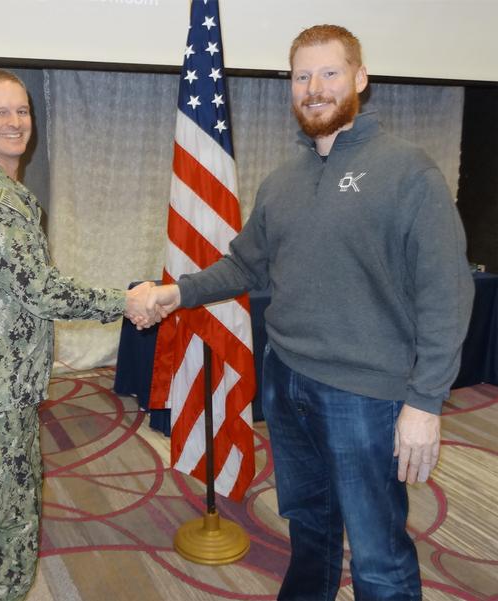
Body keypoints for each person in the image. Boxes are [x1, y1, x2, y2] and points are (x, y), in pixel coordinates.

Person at [144, 25, 474, 601]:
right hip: (287, 383)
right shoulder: (282, 182)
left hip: (365, 398)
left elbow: (447, 292)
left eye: (329, 73)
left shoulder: (408, 172)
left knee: (377, 553)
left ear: (360, 80)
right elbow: (245, 265)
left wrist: (424, 401)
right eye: (302, 76)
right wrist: (179, 293)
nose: (314, 88)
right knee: (311, 532)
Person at [0, 68, 159, 600]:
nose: (16, 122)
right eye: (0, 112)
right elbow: (40, 289)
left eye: (23, 111)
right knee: (3, 546)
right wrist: (124, 302)